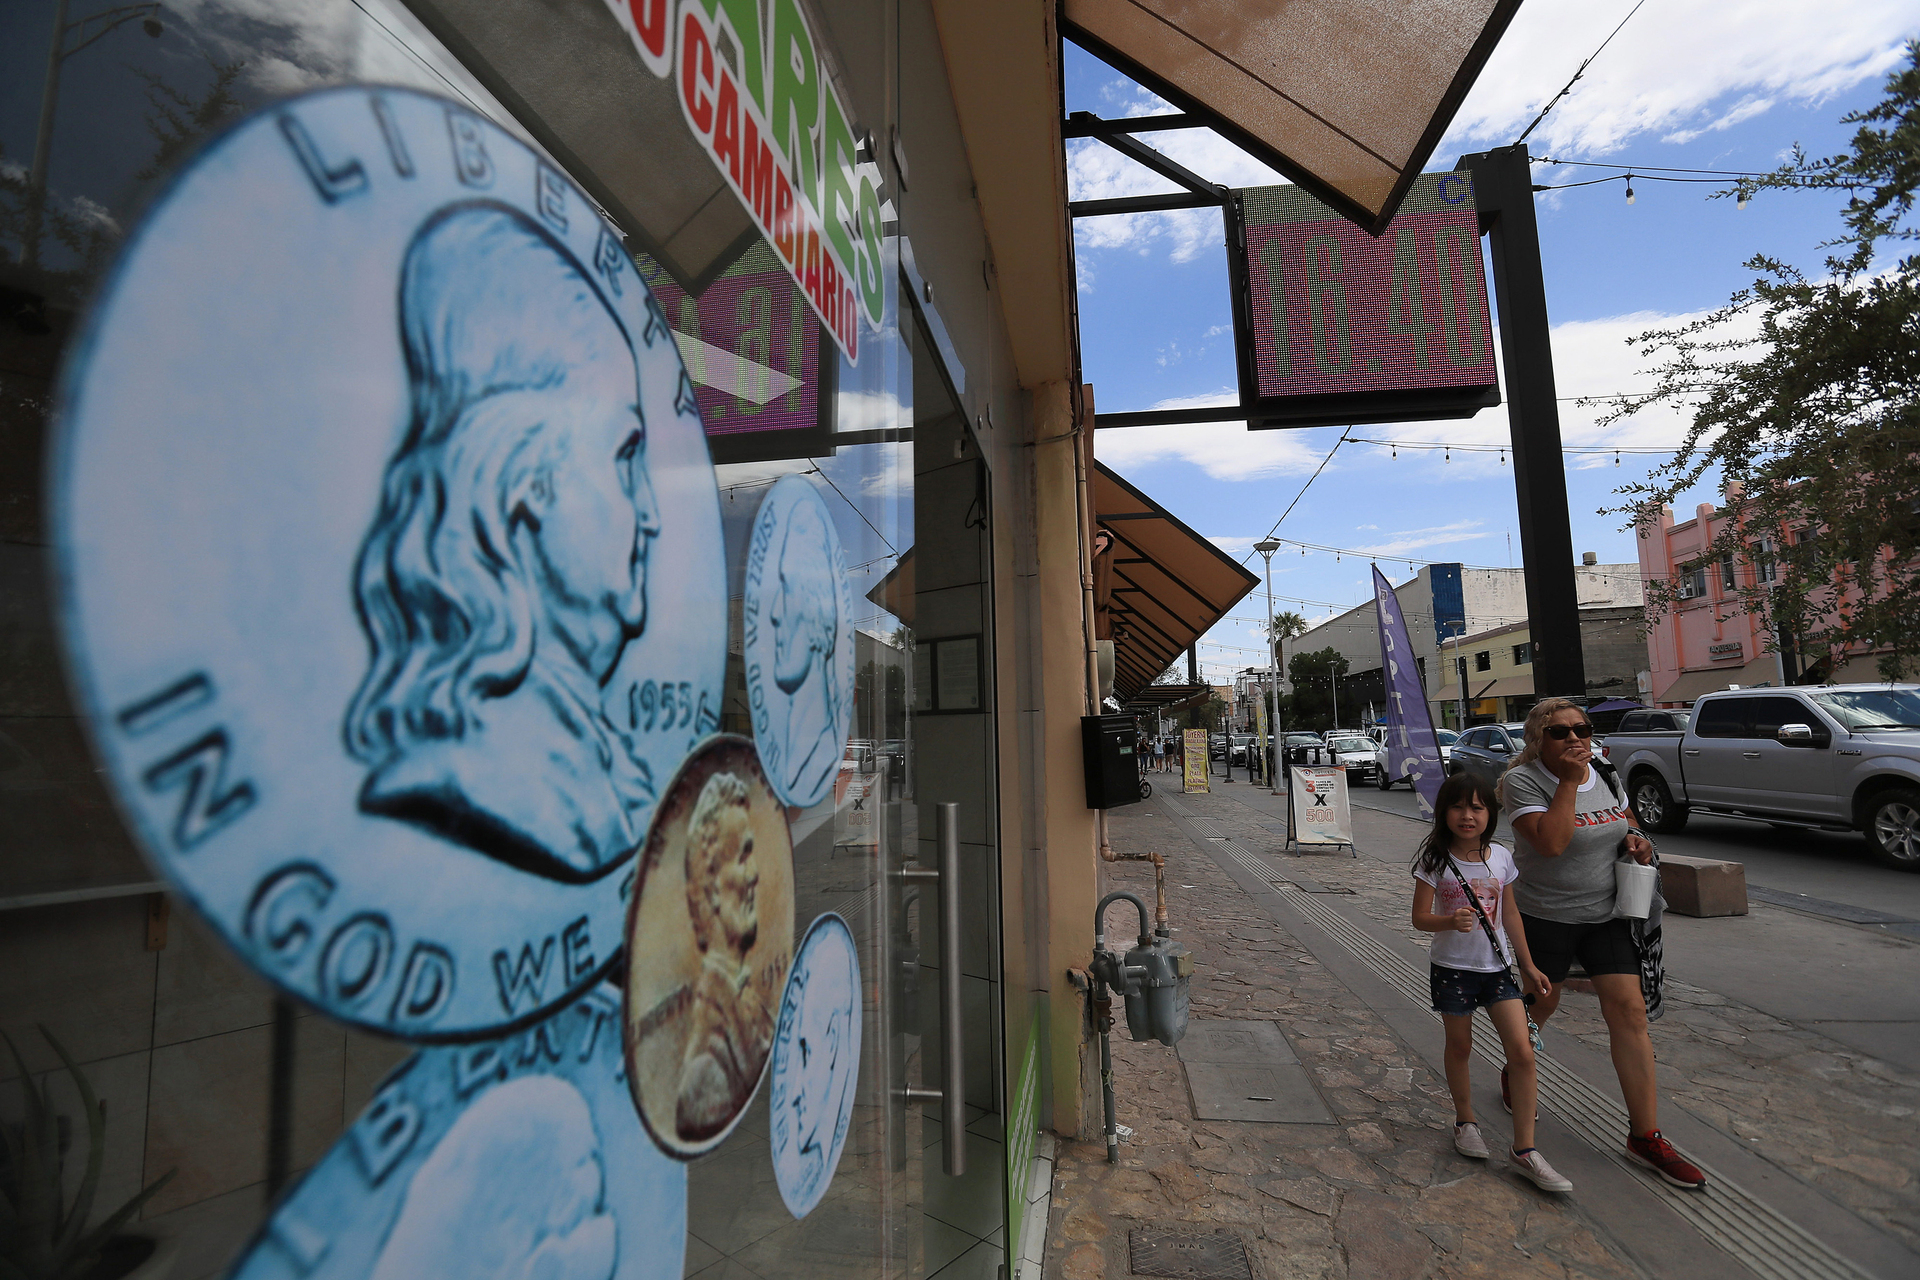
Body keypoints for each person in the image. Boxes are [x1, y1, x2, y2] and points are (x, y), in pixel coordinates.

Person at [344, 204, 662, 879]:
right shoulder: (474, 781)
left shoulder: (600, 775)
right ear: (525, 480)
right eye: (624, 456)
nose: (653, 515)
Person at [1500, 697, 1708, 1189]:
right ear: (1539, 740)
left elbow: (1626, 819)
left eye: (1583, 728)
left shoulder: (1605, 772)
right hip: (1546, 915)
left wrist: (1637, 839)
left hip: (1607, 914)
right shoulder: (1522, 782)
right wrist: (1569, 782)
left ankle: (1645, 1136)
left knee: (1629, 1012)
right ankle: (1517, 1065)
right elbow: (1551, 843)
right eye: (1560, 732)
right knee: (1539, 1007)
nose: (1575, 738)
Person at [1410, 773, 1569, 1192]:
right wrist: (1449, 921)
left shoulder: (1500, 856)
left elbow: (1510, 915)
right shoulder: (1435, 860)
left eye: (1477, 807)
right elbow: (1419, 918)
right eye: (1458, 807)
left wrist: (1528, 965)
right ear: (1444, 812)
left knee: (1522, 1052)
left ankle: (1525, 1149)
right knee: (1460, 1046)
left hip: (1497, 969)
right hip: (1452, 968)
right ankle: (1465, 1121)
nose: (1468, 816)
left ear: (1490, 814)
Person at [676, 770, 775, 1142]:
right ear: (711, 887)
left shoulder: (751, 1008)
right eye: (743, 856)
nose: (755, 874)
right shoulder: (704, 1074)